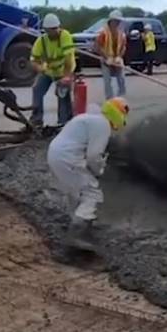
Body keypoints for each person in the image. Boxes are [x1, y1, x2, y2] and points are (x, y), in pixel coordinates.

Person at [47, 97, 129, 253]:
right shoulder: (103, 125)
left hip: (55, 153)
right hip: (67, 158)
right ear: (117, 115)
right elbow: (94, 156)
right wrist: (99, 171)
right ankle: (77, 235)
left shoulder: (90, 117)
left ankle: (76, 226)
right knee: (93, 193)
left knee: (76, 191)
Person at [30, 13, 77, 127]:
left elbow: (68, 60)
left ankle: (63, 121)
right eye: (51, 29)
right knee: (37, 89)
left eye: (56, 28)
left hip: (64, 70)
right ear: (45, 30)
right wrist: (40, 68)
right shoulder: (41, 41)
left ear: (59, 27)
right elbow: (33, 60)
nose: (54, 31)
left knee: (62, 92)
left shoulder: (65, 36)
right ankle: (37, 119)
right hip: (49, 71)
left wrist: (66, 77)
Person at [94, 10, 127, 98]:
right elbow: (97, 47)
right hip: (106, 60)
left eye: (118, 21)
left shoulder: (121, 34)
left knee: (121, 79)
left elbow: (123, 47)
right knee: (107, 81)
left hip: (117, 59)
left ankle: (121, 97)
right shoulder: (103, 33)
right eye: (115, 21)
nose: (117, 23)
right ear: (111, 21)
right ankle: (110, 99)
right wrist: (106, 57)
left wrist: (119, 57)